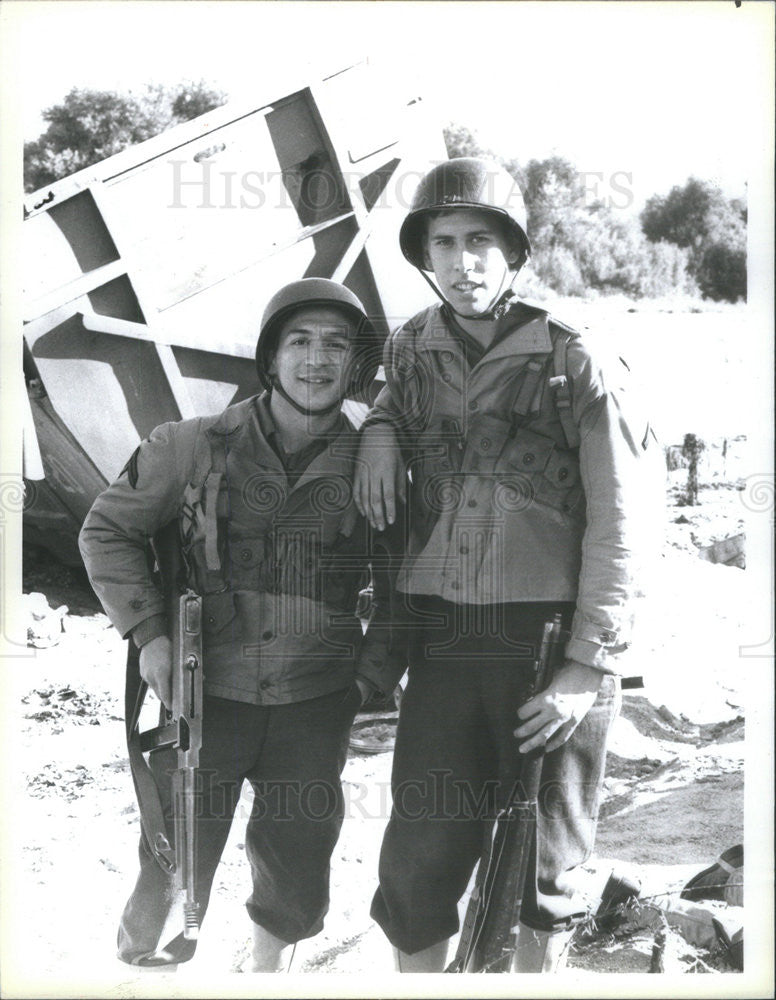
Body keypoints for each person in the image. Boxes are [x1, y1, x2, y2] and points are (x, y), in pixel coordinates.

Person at [353, 157, 661, 972]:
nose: (463, 263)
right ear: (424, 254)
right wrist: (381, 433)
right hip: (446, 638)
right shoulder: (413, 347)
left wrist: (586, 666)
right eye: (444, 243)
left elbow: (626, 522)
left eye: (481, 241)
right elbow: (392, 402)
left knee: (543, 871)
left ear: (515, 250)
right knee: (419, 865)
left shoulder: (575, 356)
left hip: (548, 642)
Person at [79, 278, 405, 971]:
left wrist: (368, 681)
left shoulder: (377, 464)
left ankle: (267, 979)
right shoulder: (191, 446)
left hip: (315, 704)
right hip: (204, 696)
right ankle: (146, 972)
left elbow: (408, 584)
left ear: (354, 365)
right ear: (270, 356)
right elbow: (106, 531)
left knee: (296, 867)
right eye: (299, 341)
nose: (316, 360)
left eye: (335, 345)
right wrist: (149, 634)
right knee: (171, 863)